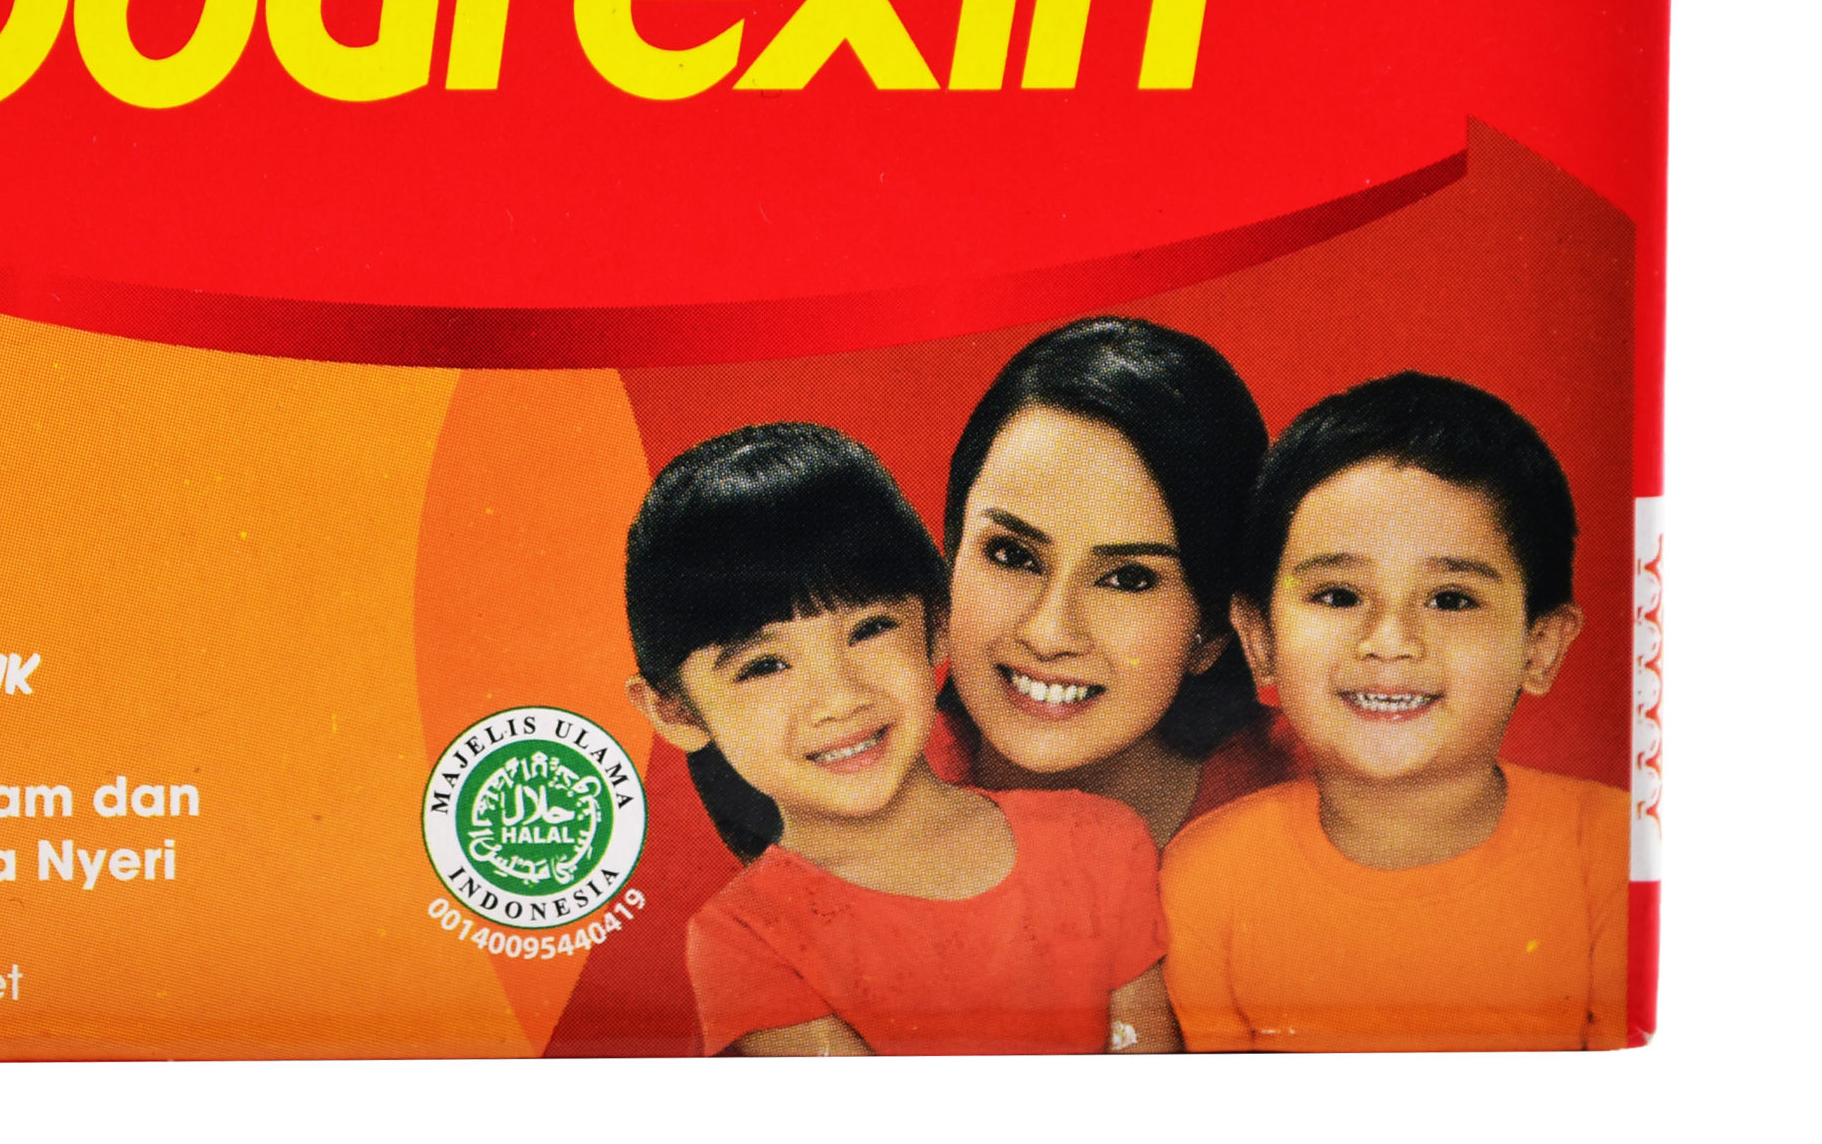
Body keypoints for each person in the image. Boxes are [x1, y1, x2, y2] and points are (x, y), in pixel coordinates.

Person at [622, 422, 1174, 1055]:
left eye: (869, 629)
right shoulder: (746, 937)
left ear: (937, 626)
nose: (841, 698)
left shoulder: (1097, 840)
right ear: (674, 711)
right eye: (765, 666)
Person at [1160, 373, 1626, 1050]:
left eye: (1451, 599)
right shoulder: (1208, 876)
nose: (1389, 641)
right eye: (1339, 595)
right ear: (1260, 640)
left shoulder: (1612, 851)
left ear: (1540, 646)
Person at [936, 316, 1291, 848]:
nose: (1048, 634)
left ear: (1214, 628)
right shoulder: (836, 801)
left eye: (1128, 579)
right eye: (1012, 555)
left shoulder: (1336, 800)